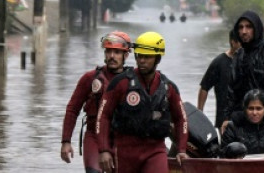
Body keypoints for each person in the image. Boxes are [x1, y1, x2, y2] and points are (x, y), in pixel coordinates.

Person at [96, 32, 188, 173]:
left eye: (147, 57)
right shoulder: (120, 83)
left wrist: (181, 149)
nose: (142, 61)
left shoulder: (169, 88)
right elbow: (103, 116)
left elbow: (181, 119)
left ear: (157, 58)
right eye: (139, 56)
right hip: (125, 151)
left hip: (155, 150)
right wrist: (104, 150)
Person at [61, 31, 133, 173]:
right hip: (94, 136)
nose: (112, 56)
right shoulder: (89, 78)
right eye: (108, 52)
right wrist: (66, 141)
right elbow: (72, 110)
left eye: (117, 52)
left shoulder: (134, 81)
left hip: (123, 139)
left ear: (126, 55)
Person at [198, 29, 241, 130]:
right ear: (233, 42)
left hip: (244, 117)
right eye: (241, 42)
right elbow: (204, 87)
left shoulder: (248, 61)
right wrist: (199, 113)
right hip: (223, 117)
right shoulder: (219, 62)